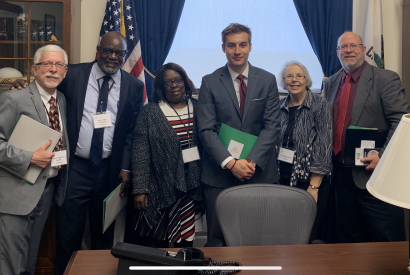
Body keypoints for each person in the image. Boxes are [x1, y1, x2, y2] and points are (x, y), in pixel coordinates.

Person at [10, 31, 144, 274]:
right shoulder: (72, 75)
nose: (112, 57)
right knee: (68, 233)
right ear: (98, 50)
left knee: (103, 233)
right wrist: (22, 83)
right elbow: (43, 85)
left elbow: (131, 132)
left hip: (109, 170)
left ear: (125, 56)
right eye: (107, 51)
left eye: (119, 53)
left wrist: (126, 167)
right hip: (75, 168)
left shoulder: (134, 86)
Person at [197, 23, 281, 244]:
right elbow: (206, 129)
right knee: (217, 239)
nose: (237, 51)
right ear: (223, 48)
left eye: (242, 45)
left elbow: (272, 125)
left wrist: (250, 162)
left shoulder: (267, 80)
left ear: (250, 47)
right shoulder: (209, 81)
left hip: (258, 172)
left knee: (256, 237)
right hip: (219, 175)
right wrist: (231, 163)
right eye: (231, 45)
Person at [324, 31, 409, 243]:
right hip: (341, 175)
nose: (349, 50)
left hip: (375, 174)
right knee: (349, 239)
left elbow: (401, 120)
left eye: (354, 46)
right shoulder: (331, 83)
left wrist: (383, 157)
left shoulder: (385, 78)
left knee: (387, 238)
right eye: (344, 47)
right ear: (337, 52)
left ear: (364, 50)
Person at [0, 45, 69, 275]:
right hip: (16, 193)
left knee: (29, 262)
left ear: (65, 72)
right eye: (46, 64)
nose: (52, 70)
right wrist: (30, 158)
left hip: (46, 191)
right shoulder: (13, 98)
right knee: (11, 265)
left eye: (58, 65)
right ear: (34, 69)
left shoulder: (61, 101)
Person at [132, 63, 202, 248]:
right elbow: (141, 152)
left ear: (185, 82)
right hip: (160, 186)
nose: (174, 85)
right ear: (161, 88)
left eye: (178, 80)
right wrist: (140, 189)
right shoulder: (150, 112)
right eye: (168, 82)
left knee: (186, 241)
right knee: (158, 242)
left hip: (191, 184)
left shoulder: (197, 108)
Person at [277, 61, 332, 243]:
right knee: (285, 232)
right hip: (283, 180)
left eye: (299, 76)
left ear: (306, 79)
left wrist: (314, 187)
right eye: (289, 76)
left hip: (308, 182)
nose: (294, 80)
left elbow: (324, 145)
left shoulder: (319, 105)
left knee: (306, 235)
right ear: (283, 81)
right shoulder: (280, 107)